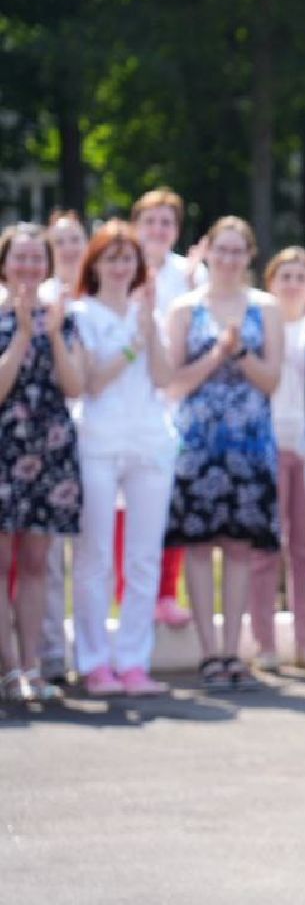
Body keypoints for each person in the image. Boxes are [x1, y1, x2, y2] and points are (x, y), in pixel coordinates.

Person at [164, 217, 283, 692]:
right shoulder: (184, 309)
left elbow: (272, 381)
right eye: (222, 250)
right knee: (197, 547)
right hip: (198, 444)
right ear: (208, 252)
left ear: (249, 256)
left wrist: (240, 354)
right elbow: (173, 383)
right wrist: (216, 354)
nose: (229, 259)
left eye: (238, 251)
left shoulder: (265, 307)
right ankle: (208, 651)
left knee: (239, 547)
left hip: (249, 443)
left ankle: (234, 649)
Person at [70, 221, 174, 697]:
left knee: (144, 557)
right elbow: (90, 382)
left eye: (127, 258)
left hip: (148, 441)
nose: (119, 267)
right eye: (110, 258)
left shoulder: (147, 312)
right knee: (95, 557)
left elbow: (165, 377)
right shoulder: (81, 314)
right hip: (98, 440)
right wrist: (133, 346)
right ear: (94, 265)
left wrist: (149, 331)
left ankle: (133, 660)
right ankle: (94, 662)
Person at [0, 224, 84, 702]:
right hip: (5, 447)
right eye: (20, 258)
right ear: (4, 264)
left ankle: (32, 666)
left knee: (37, 563)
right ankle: (8, 669)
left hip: (49, 449)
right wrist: (21, 334)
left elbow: (75, 386)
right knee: (1, 564)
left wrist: (50, 335)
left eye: (37, 258)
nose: (29, 267)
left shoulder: (62, 319)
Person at [133, 187, 202, 629]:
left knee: (169, 503)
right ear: (136, 225)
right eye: (151, 221)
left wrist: (195, 284)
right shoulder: (119, 265)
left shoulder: (190, 274)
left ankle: (165, 594)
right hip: (126, 402)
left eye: (167, 222)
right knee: (126, 510)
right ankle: (128, 596)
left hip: (175, 404)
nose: (158, 230)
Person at [253, 247, 305, 672]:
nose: (293, 284)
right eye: (285, 277)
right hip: (269, 440)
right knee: (265, 548)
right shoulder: (261, 326)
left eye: (301, 277)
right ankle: (264, 643)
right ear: (271, 283)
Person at [38, 209, 86, 684]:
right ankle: (50, 652)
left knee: (89, 557)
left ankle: (89, 653)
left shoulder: (99, 294)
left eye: (77, 239)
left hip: (95, 435)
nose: (70, 248)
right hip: (47, 437)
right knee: (47, 558)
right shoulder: (41, 298)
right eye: (61, 240)